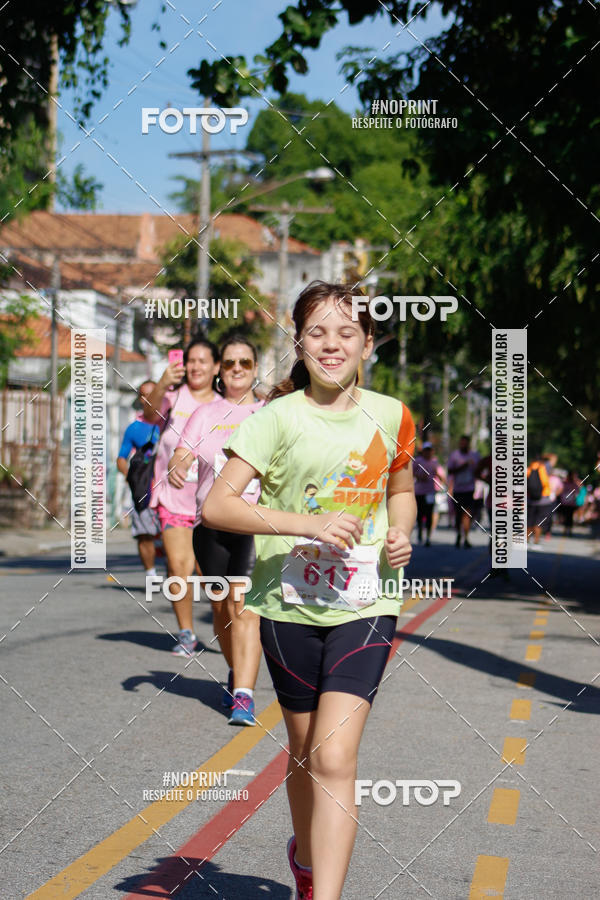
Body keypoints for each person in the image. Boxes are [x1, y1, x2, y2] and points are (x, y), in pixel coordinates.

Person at [202, 281, 416, 900]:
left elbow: (399, 490)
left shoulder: (392, 414)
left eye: (347, 332)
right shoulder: (276, 418)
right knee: (303, 751)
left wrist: (399, 534)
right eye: (318, 331)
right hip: (289, 606)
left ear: (368, 344)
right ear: (299, 341)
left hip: (367, 603)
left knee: (333, 755)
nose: (332, 344)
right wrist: (305, 525)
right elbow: (218, 505)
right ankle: (304, 857)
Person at [168, 336, 264, 725]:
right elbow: (182, 451)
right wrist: (177, 464)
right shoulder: (205, 414)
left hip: (254, 523)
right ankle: (235, 670)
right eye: (229, 363)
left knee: (244, 607)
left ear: (256, 368)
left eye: (244, 362)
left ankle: (244, 693)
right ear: (220, 371)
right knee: (222, 610)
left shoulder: (269, 413)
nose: (237, 369)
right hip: (209, 524)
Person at [145, 339, 220, 655]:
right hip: (173, 498)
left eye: (204, 361)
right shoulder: (172, 399)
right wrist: (162, 382)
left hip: (213, 503)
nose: (197, 366)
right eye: (191, 360)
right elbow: (148, 417)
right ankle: (186, 633)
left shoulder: (225, 405)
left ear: (216, 367)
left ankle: (225, 624)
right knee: (178, 566)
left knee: (212, 574)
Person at [116, 380, 162, 580]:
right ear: (141, 399)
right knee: (145, 536)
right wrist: (132, 479)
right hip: (144, 491)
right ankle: (151, 574)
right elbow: (121, 459)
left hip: (172, 491)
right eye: (145, 395)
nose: (150, 399)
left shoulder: (172, 423)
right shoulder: (134, 428)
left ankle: (176, 574)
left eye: (154, 393)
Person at [447, 435, 480, 548]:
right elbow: (450, 470)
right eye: (461, 443)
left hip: (469, 489)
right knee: (458, 514)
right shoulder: (455, 455)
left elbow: (479, 471)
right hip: (458, 489)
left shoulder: (475, 456)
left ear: (468, 444)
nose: (463, 445)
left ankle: (466, 537)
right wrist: (464, 466)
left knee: (467, 514)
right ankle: (458, 534)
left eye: (465, 443)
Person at [413, 441, 446, 545]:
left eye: (429, 451)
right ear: (423, 451)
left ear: (432, 452)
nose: (428, 453)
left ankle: (428, 536)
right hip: (419, 491)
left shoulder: (434, 462)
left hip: (430, 492)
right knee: (420, 513)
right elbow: (410, 473)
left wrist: (440, 479)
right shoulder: (418, 461)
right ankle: (419, 533)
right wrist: (419, 477)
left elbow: (442, 477)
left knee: (429, 513)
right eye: (426, 450)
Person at [526, 454, 552, 549]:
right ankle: (536, 542)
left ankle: (527, 541)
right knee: (539, 521)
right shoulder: (544, 468)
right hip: (543, 499)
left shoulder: (528, 469)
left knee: (529, 521)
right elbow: (545, 482)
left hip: (530, 499)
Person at [559, 470, 581, 536]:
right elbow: (577, 493)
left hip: (564, 503)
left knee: (565, 516)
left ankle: (565, 530)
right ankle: (569, 530)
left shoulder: (564, 483)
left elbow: (560, 491)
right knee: (570, 517)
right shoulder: (574, 485)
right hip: (571, 503)